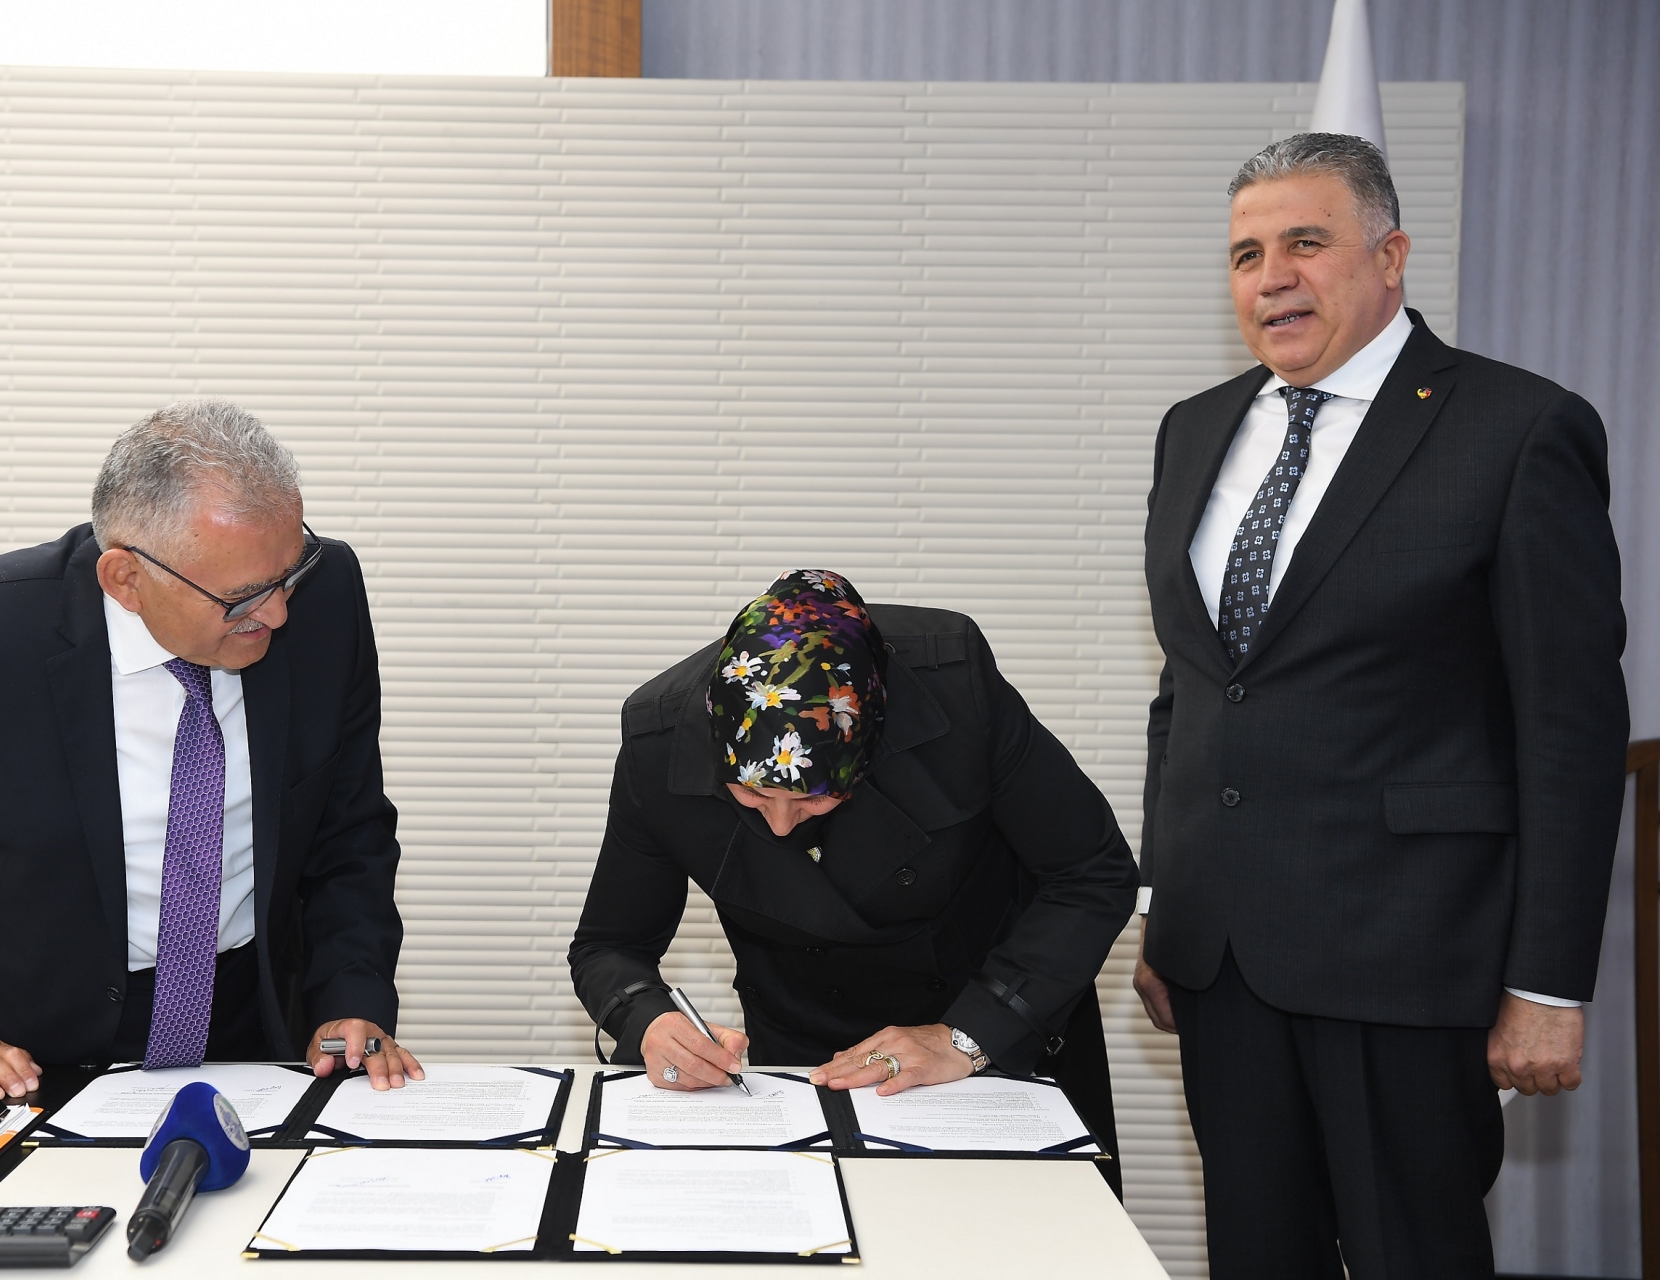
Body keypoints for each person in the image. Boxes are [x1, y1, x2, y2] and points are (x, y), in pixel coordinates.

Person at [1134, 133, 1627, 1277]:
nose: (1272, 277)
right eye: (1247, 254)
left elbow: (1570, 727)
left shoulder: (1518, 429)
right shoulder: (1194, 428)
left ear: (1390, 256)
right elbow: (1193, 684)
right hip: (1219, 961)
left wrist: (1547, 982)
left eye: (1306, 242)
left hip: (1410, 955)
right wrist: (1165, 899)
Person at [0, 401, 424, 1096]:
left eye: (289, 573)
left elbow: (348, 829)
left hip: (253, 1036)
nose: (277, 612)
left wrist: (349, 997)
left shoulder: (327, 596)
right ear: (126, 578)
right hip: (22, 1056)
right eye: (244, 597)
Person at [569, 571, 1139, 1190]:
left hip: (993, 1026)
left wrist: (969, 1035)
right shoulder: (657, 742)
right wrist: (650, 1020)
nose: (780, 825)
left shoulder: (953, 688)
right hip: (804, 1050)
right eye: (751, 796)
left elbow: (1091, 874)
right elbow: (609, 945)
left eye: (814, 799)